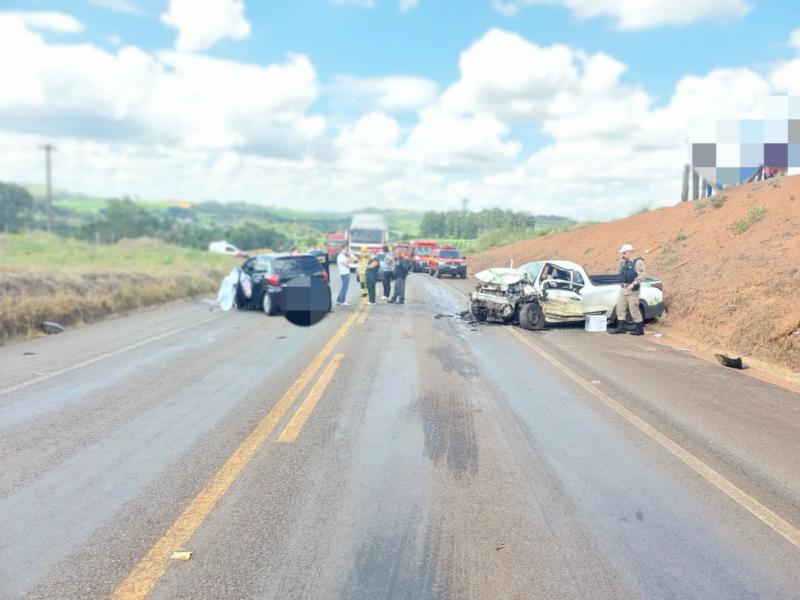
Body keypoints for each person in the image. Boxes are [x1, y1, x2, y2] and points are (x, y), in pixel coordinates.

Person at [608, 243, 646, 336]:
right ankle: (621, 328)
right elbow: (619, 272)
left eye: (624, 253)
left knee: (634, 310)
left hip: (632, 290)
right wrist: (620, 264)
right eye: (622, 253)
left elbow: (642, 275)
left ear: (629, 252)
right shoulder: (624, 262)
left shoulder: (637, 262)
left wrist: (634, 284)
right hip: (624, 289)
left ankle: (639, 329)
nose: (623, 255)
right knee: (620, 308)